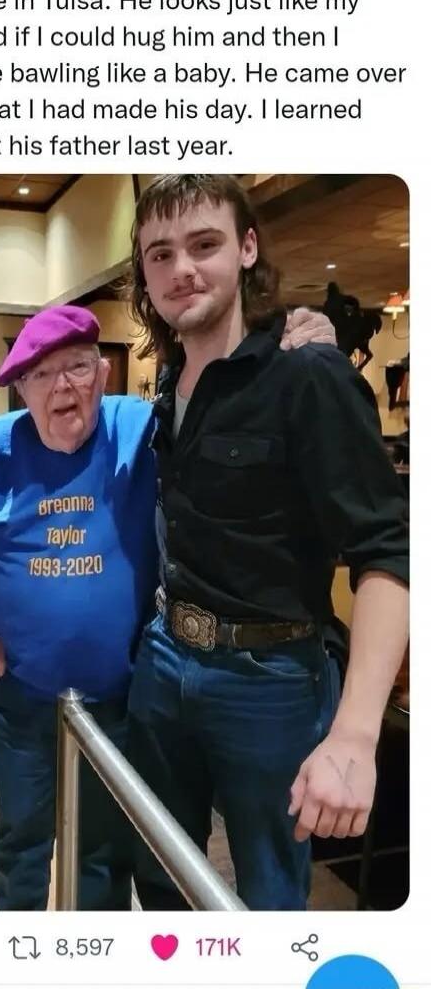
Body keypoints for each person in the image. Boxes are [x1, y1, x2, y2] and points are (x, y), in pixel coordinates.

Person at [0, 302, 333, 911]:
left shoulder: (142, 430)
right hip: (19, 697)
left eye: (78, 368)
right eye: (43, 374)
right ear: (19, 389)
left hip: (117, 699)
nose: (63, 386)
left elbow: (217, 403)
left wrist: (288, 346)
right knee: (22, 839)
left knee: (103, 849)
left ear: (104, 375)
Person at [125, 174, 409, 910]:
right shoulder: (169, 381)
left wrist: (354, 735)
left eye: (205, 244)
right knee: (160, 870)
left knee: (270, 901)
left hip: (271, 682)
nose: (182, 267)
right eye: (160, 254)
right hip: (163, 661)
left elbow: (390, 550)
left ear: (248, 248)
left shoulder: (306, 374)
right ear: (144, 275)